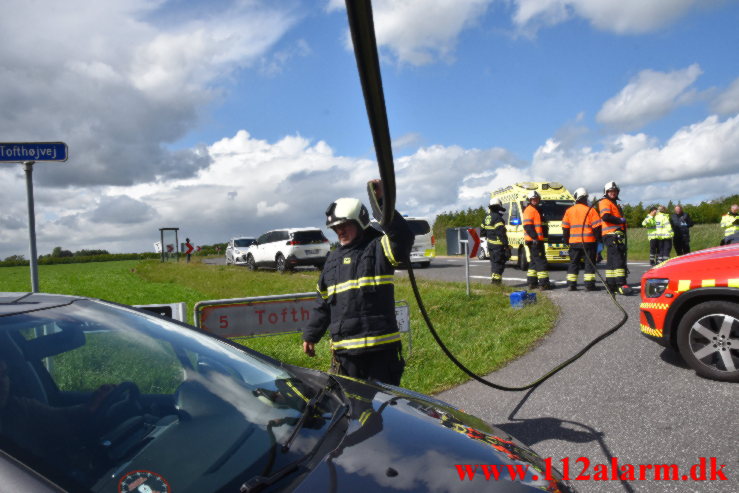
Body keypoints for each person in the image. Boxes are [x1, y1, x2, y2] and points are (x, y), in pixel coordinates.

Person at [302, 180, 413, 386]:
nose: (340, 231)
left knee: (384, 410)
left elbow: (402, 238)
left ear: (360, 222)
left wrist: (380, 202)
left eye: (345, 225)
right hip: (346, 357)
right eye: (336, 228)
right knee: (350, 410)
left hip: (381, 353)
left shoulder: (379, 248)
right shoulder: (332, 261)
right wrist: (310, 335)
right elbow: (323, 305)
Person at [561, 188, 602, 291]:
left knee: (573, 263)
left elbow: (565, 228)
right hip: (589, 242)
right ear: (585, 198)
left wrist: (567, 241)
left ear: (576, 198)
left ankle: (571, 284)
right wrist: (599, 241)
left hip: (574, 243)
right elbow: (597, 228)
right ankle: (589, 285)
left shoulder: (569, 211)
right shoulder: (591, 210)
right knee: (589, 263)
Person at [599, 181, 631, 295]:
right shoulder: (605, 202)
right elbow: (605, 216)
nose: (613, 193)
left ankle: (611, 285)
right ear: (606, 192)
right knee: (618, 259)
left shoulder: (614, 204)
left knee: (612, 260)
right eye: (611, 191)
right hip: (610, 234)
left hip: (615, 234)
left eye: (615, 191)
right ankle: (621, 284)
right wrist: (620, 220)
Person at [522, 190, 551, 290]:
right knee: (541, 261)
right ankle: (544, 284)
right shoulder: (530, 210)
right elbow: (527, 226)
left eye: (537, 199)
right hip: (534, 240)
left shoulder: (534, 210)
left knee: (534, 261)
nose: (535, 200)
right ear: (530, 200)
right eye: (533, 199)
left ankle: (532, 283)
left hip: (534, 240)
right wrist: (535, 238)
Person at [480, 198, 509, 284]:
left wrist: (489, 236)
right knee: (499, 263)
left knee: (494, 263)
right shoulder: (498, 218)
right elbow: (501, 233)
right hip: (498, 245)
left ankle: (494, 280)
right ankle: (496, 282)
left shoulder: (486, 217)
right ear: (498, 207)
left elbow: (482, 232)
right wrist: (506, 245)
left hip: (490, 245)